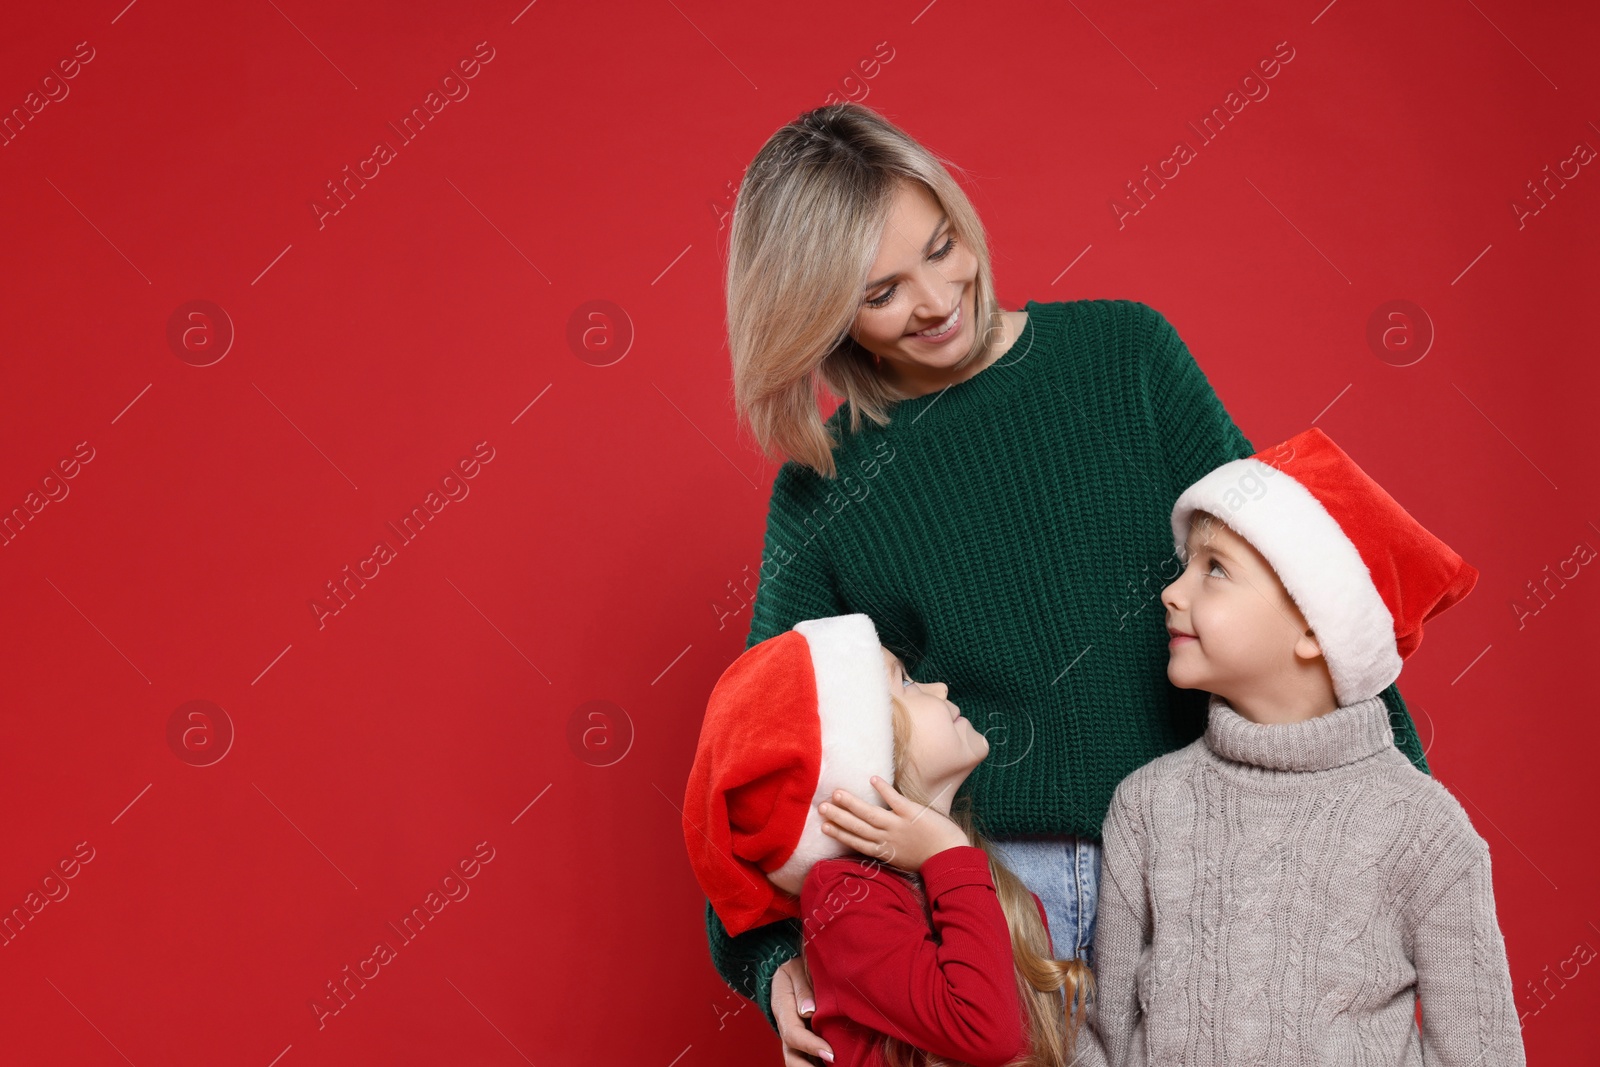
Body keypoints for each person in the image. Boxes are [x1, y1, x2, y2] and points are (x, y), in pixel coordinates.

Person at [708, 100, 1434, 1065]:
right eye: (882, 291)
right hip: (991, 915)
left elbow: (1294, 586)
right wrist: (768, 962)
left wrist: (1403, 826)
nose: (937, 297)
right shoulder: (826, 486)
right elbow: (757, 764)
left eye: (942, 244)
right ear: (821, 314)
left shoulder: (1125, 356)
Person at [1086, 426, 1526, 1065]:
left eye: (1215, 570)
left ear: (1315, 629)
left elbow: (1480, 1053)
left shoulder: (1424, 830)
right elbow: (1112, 1035)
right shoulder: (1150, 804)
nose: (1173, 593)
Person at [682, 613, 1094, 1067]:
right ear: (864, 767)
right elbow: (989, 1036)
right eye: (908, 684)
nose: (940, 688)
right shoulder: (844, 898)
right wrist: (948, 855)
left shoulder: (982, 885)